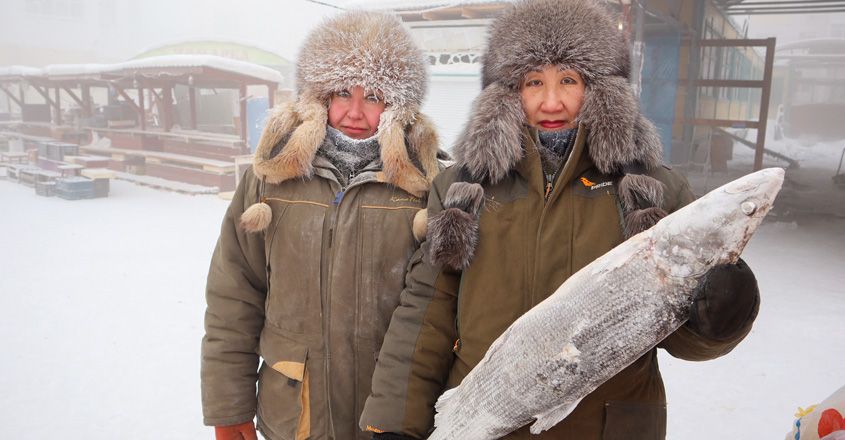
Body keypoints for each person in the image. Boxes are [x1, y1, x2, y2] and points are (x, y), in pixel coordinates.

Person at [359, 1, 760, 439]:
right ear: (508, 93)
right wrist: (396, 424)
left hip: (606, 426)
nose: (551, 101)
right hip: (485, 422)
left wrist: (719, 316)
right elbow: (426, 311)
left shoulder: (654, 191)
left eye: (568, 80)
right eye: (534, 82)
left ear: (601, 90)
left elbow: (676, 335)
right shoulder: (462, 190)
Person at [201, 11, 442, 440]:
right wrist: (228, 405)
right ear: (319, 96)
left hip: (390, 420)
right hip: (294, 417)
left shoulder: (429, 188)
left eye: (373, 97)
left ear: (396, 106)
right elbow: (233, 295)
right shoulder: (271, 178)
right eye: (342, 93)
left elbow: (441, 316)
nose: (354, 112)